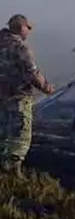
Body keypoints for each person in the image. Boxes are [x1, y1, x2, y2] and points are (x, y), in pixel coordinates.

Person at [0, 14, 57, 176]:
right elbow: (31, 73)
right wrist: (47, 88)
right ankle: (13, 173)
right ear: (21, 28)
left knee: (3, 134)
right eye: (27, 28)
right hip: (18, 97)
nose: (28, 32)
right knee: (20, 135)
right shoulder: (19, 47)